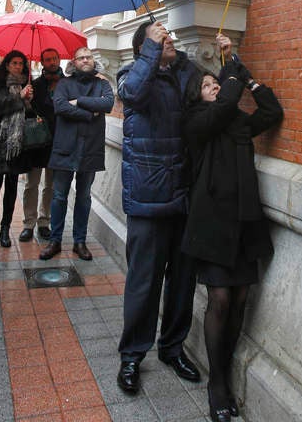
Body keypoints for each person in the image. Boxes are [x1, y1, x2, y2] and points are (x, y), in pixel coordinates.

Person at [181, 35, 284, 422]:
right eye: (207, 86)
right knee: (220, 299)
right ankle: (217, 383)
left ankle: (222, 363)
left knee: (240, 298)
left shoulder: (236, 120)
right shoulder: (195, 123)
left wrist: (250, 80)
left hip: (244, 220)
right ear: (198, 96)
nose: (215, 89)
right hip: (212, 225)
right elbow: (224, 104)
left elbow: (271, 112)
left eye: (215, 84)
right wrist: (229, 70)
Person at [116, 20, 201, 395]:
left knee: (182, 281)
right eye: (158, 34)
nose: (168, 37)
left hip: (184, 195)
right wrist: (151, 49)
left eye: (167, 33)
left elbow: (209, 95)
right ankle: (132, 355)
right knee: (143, 283)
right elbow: (132, 95)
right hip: (148, 199)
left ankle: (172, 347)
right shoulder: (131, 74)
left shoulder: (184, 73)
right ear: (142, 47)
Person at [39, 46, 114, 262]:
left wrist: (79, 102)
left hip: (90, 148)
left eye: (88, 57)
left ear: (93, 60)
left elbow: (108, 103)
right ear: (74, 62)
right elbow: (60, 107)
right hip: (65, 147)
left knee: (84, 197)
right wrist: (90, 114)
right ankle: (55, 240)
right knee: (59, 196)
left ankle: (79, 242)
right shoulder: (64, 83)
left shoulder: (102, 84)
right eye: (81, 57)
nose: (85, 60)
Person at [0, 50, 34, 249]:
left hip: (17, 145)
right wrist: (19, 97)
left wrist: (29, 102)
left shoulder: (28, 84)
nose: (18, 66)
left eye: (21, 63)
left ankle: (4, 229)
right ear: (7, 65)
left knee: (11, 189)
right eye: (14, 63)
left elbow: (28, 116)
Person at [19, 48, 64, 242]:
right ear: (42, 62)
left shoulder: (67, 84)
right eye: (48, 59)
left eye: (54, 58)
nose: (52, 62)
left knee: (51, 186)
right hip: (38, 142)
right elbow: (27, 114)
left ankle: (44, 221)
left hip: (60, 141)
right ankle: (29, 222)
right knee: (32, 184)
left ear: (59, 59)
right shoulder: (34, 85)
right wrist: (27, 102)